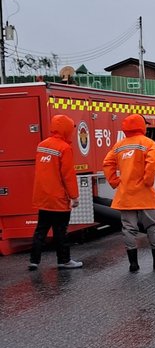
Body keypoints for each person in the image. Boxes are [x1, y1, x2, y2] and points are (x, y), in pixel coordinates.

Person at [103, 114, 155, 272]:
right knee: (153, 226)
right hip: (144, 193)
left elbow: (107, 163)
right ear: (142, 126)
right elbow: (152, 162)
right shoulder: (148, 143)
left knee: (128, 228)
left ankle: (133, 264)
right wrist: (147, 181)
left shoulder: (119, 145)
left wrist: (115, 182)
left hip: (126, 193)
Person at [29, 114, 83, 270]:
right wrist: (74, 196)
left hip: (43, 196)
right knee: (60, 231)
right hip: (58, 198)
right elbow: (68, 175)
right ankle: (64, 260)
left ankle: (34, 260)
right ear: (66, 129)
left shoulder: (42, 145)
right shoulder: (64, 148)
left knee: (41, 229)